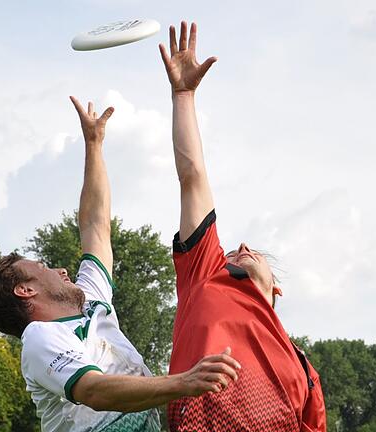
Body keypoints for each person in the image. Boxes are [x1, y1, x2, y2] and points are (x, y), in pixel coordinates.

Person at [0, 96, 242, 432]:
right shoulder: (39, 337)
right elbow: (93, 390)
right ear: (25, 290)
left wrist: (94, 144)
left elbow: (95, 225)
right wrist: (184, 382)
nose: (59, 269)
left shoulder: (90, 296)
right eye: (43, 266)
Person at [158, 21, 327, 431]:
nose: (243, 245)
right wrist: (184, 96)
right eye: (233, 250)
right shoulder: (206, 272)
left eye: (253, 253)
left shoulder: (303, 368)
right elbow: (192, 176)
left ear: (278, 290)